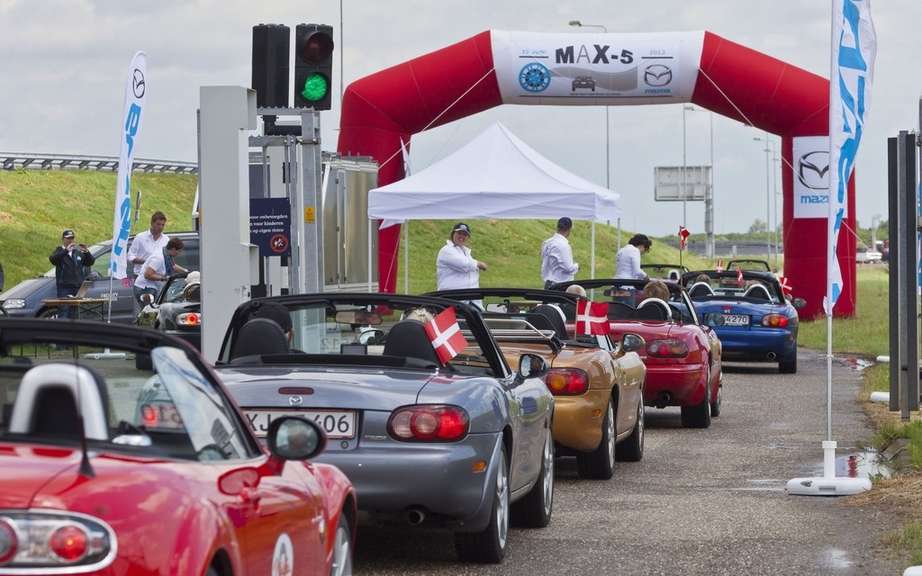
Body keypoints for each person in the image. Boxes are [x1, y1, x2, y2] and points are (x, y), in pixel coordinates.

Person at [49, 229, 96, 319]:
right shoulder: (59, 251)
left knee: (75, 314)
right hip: (64, 288)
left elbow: (90, 262)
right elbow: (53, 259)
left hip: (78, 287)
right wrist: (66, 251)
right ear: (63, 239)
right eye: (68, 238)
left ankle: (74, 332)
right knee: (64, 312)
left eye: (72, 238)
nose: (70, 240)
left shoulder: (77, 252)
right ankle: (63, 332)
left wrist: (86, 252)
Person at [134, 238, 185, 307]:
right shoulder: (158, 258)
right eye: (179, 251)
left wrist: (186, 272)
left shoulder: (167, 255)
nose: (179, 253)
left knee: (155, 312)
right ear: (173, 249)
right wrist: (164, 278)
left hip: (152, 287)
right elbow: (147, 275)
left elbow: (173, 266)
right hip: (146, 289)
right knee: (149, 314)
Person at [436, 223, 486, 291]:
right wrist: (479, 264)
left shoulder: (465, 252)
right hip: (452, 297)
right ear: (452, 234)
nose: (462, 236)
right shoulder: (446, 250)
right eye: (459, 233)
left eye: (465, 234)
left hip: (470, 298)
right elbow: (464, 265)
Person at [540, 217, 579, 289]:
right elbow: (568, 268)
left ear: (557, 227)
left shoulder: (547, 242)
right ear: (570, 229)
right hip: (560, 285)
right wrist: (577, 266)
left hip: (549, 283)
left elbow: (543, 260)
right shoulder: (563, 245)